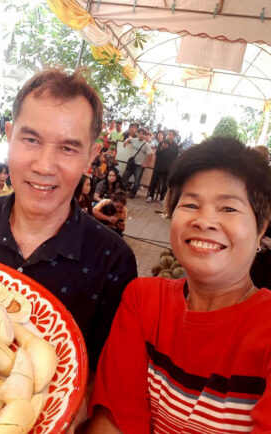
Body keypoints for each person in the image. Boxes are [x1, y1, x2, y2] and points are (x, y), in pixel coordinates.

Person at [0, 69, 137, 370]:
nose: (44, 166)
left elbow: (106, 373)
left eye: (68, 148)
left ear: (91, 157)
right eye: (31, 139)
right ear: (9, 134)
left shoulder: (112, 262)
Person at [88, 137, 271, 432]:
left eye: (228, 209)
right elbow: (113, 422)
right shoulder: (144, 301)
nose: (204, 220)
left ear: (261, 226)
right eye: (190, 204)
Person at [146, 129, 179, 203]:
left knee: (165, 184)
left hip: (168, 168)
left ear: (174, 136)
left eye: (171, 134)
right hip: (158, 166)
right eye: (168, 134)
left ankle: (162, 198)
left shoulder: (176, 146)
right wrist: (162, 148)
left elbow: (176, 157)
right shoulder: (162, 143)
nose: (169, 136)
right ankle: (150, 196)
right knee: (154, 181)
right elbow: (157, 154)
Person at [120, 127, 153, 198]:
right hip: (131, 163)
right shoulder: (134, 140)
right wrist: (126, 140)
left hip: (139, 165)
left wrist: (146, 164)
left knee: (136, 181)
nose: (141, 135)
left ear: (145, 136)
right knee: (124, 177)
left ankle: (132, 194)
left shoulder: (147, 145)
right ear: (137, 134)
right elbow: (129, 139)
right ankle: (126, 190)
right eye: (140, 133)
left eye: (143, 134)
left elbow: (150, 154)